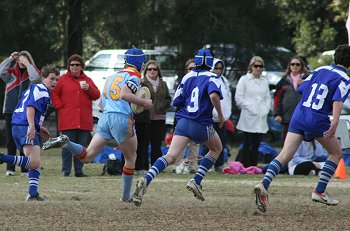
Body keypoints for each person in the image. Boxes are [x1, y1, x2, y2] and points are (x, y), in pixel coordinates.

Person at [43, 47, 153, 202]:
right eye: (143, 63)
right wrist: (144, 103)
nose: (143, 66)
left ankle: (66, 143)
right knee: (131, 158)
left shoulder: (112, 76)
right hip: (121, 118)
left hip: (105, 117)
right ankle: (125, 197)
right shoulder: (134, 76)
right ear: (140, 63)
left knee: (87, 157)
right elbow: (124, 94)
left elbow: (101, 103)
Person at [254, 44, 350, 212]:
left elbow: (301, 88)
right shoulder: (344, 78)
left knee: (284, 154)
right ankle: (319, 191)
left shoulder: (320, 69)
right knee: (336, 153)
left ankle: (264, 184)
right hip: (317, 117)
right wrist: (334, 122)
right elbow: (338, 100)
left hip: (299, 114)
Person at [132, 48, 224, 206]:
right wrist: (220, 115)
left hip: (183, 122)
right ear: (210, 62)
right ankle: (196, 180)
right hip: (200, 122)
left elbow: (177, 102)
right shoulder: (213, 77)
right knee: (217, 148)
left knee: (170, 156)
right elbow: (214, 95)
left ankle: (146, 179)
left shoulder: (187, 77)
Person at [0, 65, 59, 201]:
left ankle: (32, 193)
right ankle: (2, 158)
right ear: (43, 78)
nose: (55, 82)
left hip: (19, 124)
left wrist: (39, 126)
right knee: (34, 162)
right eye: (51, 79)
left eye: (57, 79)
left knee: (35, 161)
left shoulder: (36, 88)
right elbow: (30, 107)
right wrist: (32, 126)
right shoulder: (42, 90)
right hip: (24, 125)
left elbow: (28, 106)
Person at [51, 54, 100, 177]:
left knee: (81, 148)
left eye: (77, 65)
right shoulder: (62, 80)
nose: (74, 67)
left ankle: (79, 171)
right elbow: (54, 94)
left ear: (81, 66)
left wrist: (88, 88)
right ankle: (65, 171)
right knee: (66, 146)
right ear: (69, 66)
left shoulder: (87, 80)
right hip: (67, 119)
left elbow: (97, 95)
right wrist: (60, 107)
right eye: (72, 64)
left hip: (83, 120)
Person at [0, 51, 41, 176]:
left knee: (24, 140)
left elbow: (37, 79)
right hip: (10, 110)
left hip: (25, 111)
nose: (21, 61)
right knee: (10, 140)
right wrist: (10, 58)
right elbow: (1, 72)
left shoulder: (31, 73)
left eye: (23, 59)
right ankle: (10, 168)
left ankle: (25, 168)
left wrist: (28, 63)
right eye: (19, 59)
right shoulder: (11, 73)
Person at [234, 56, 271, 167]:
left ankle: (253, 164)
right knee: (247, 142)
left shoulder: (264, 81)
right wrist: (251, 108)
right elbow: (239, 98)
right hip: (248, 115)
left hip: (261, 115)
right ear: (251, 66)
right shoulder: (244, 79)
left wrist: (265, 109)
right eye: (256, 66)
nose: (258, 68)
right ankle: (245, 165)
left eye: (260, 66)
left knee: (257, 142)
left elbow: (268, 97)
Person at [199, 58, 232, 173]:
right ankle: (204, 164)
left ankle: (219, 164)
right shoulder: (208, 79)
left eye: (220, 68)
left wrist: (226, 113)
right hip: (210, 116)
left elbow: (227, 99)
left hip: (222, 117)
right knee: (208, 142)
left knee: (221, 142)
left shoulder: (224, 80)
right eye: (216, 68)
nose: (218, 71)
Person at [172, 59, 200, 174]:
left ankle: (193, 165)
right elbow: (177, 102)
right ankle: (177, 165)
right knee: (181, 141)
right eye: (190, 68)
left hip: (197, 117)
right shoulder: (182, 83)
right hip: (183, 116)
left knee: (195, 142)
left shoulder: (201, 82)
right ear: (186, 70)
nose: (192, 71)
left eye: (195, 68)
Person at [274, 56, 309, 144]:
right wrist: (277, 114)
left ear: (301, 66)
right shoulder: (283, 81)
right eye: (292, 64)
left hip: (303, 116)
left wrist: (304, 84)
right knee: (286, 139)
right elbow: (277, 99)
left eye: (297, 64)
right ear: (289, 66)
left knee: (303, 139)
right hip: (287, 116)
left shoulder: (307, 79)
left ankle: (302, 157)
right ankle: (285, 157)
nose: (295, 66)